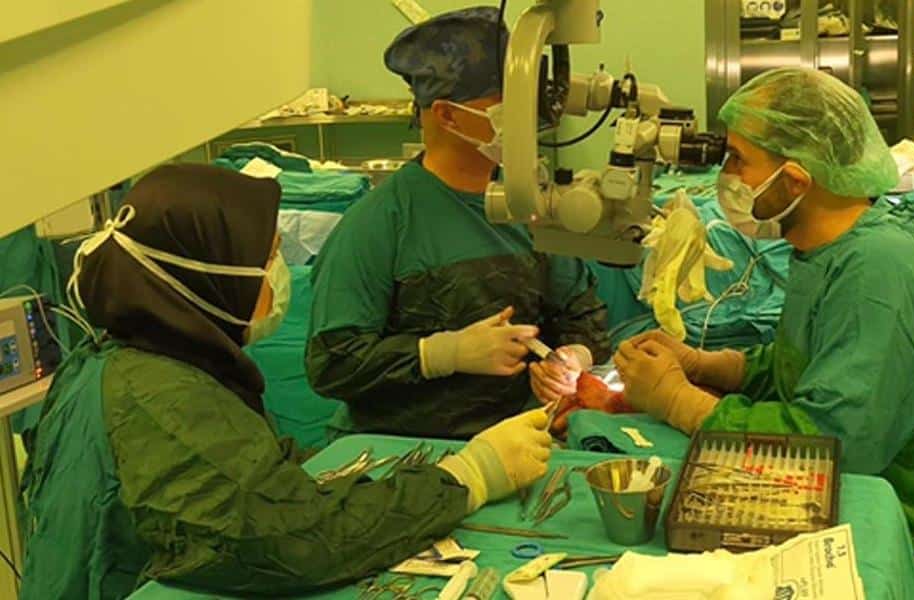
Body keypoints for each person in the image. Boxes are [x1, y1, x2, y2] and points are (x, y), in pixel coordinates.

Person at [19, 164, 553, 599]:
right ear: (209, 276)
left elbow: (246, 480)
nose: (278, 272)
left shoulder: (131, 359)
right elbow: (293, 539)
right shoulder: (162, 398)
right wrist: (467, 477)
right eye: (269, 257)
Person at [614, 68, 914, 600]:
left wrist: (678, 401)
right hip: (869, 509)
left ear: (796, 181)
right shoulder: (831, 246)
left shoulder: (880, 270)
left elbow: (832, 440)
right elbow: (817, 363)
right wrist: (713, 366)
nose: (725, 176)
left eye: (738, 159)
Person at [306, 7, 609, 439]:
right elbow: (332, 364)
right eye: (506, 106)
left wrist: (571, 358)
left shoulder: (529, 204)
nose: (525, 120)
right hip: (406, 448)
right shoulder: (380, 223)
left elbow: (583, 315)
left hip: (520, 439)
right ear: (447, 116)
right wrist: (442, 354)